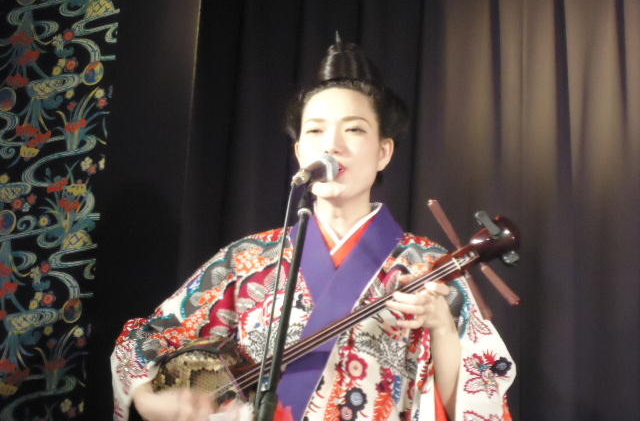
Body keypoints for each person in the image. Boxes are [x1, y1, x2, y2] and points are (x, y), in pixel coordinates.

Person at [111, 36, 515, 421]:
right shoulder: (247, 259)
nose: (332, 145)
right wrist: (149, 399)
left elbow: (481, 391)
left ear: (383, 152)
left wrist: (442, 327)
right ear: (300, 151)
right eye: (316, 130)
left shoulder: (427, 267)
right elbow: (146, 340)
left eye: (354, 129)